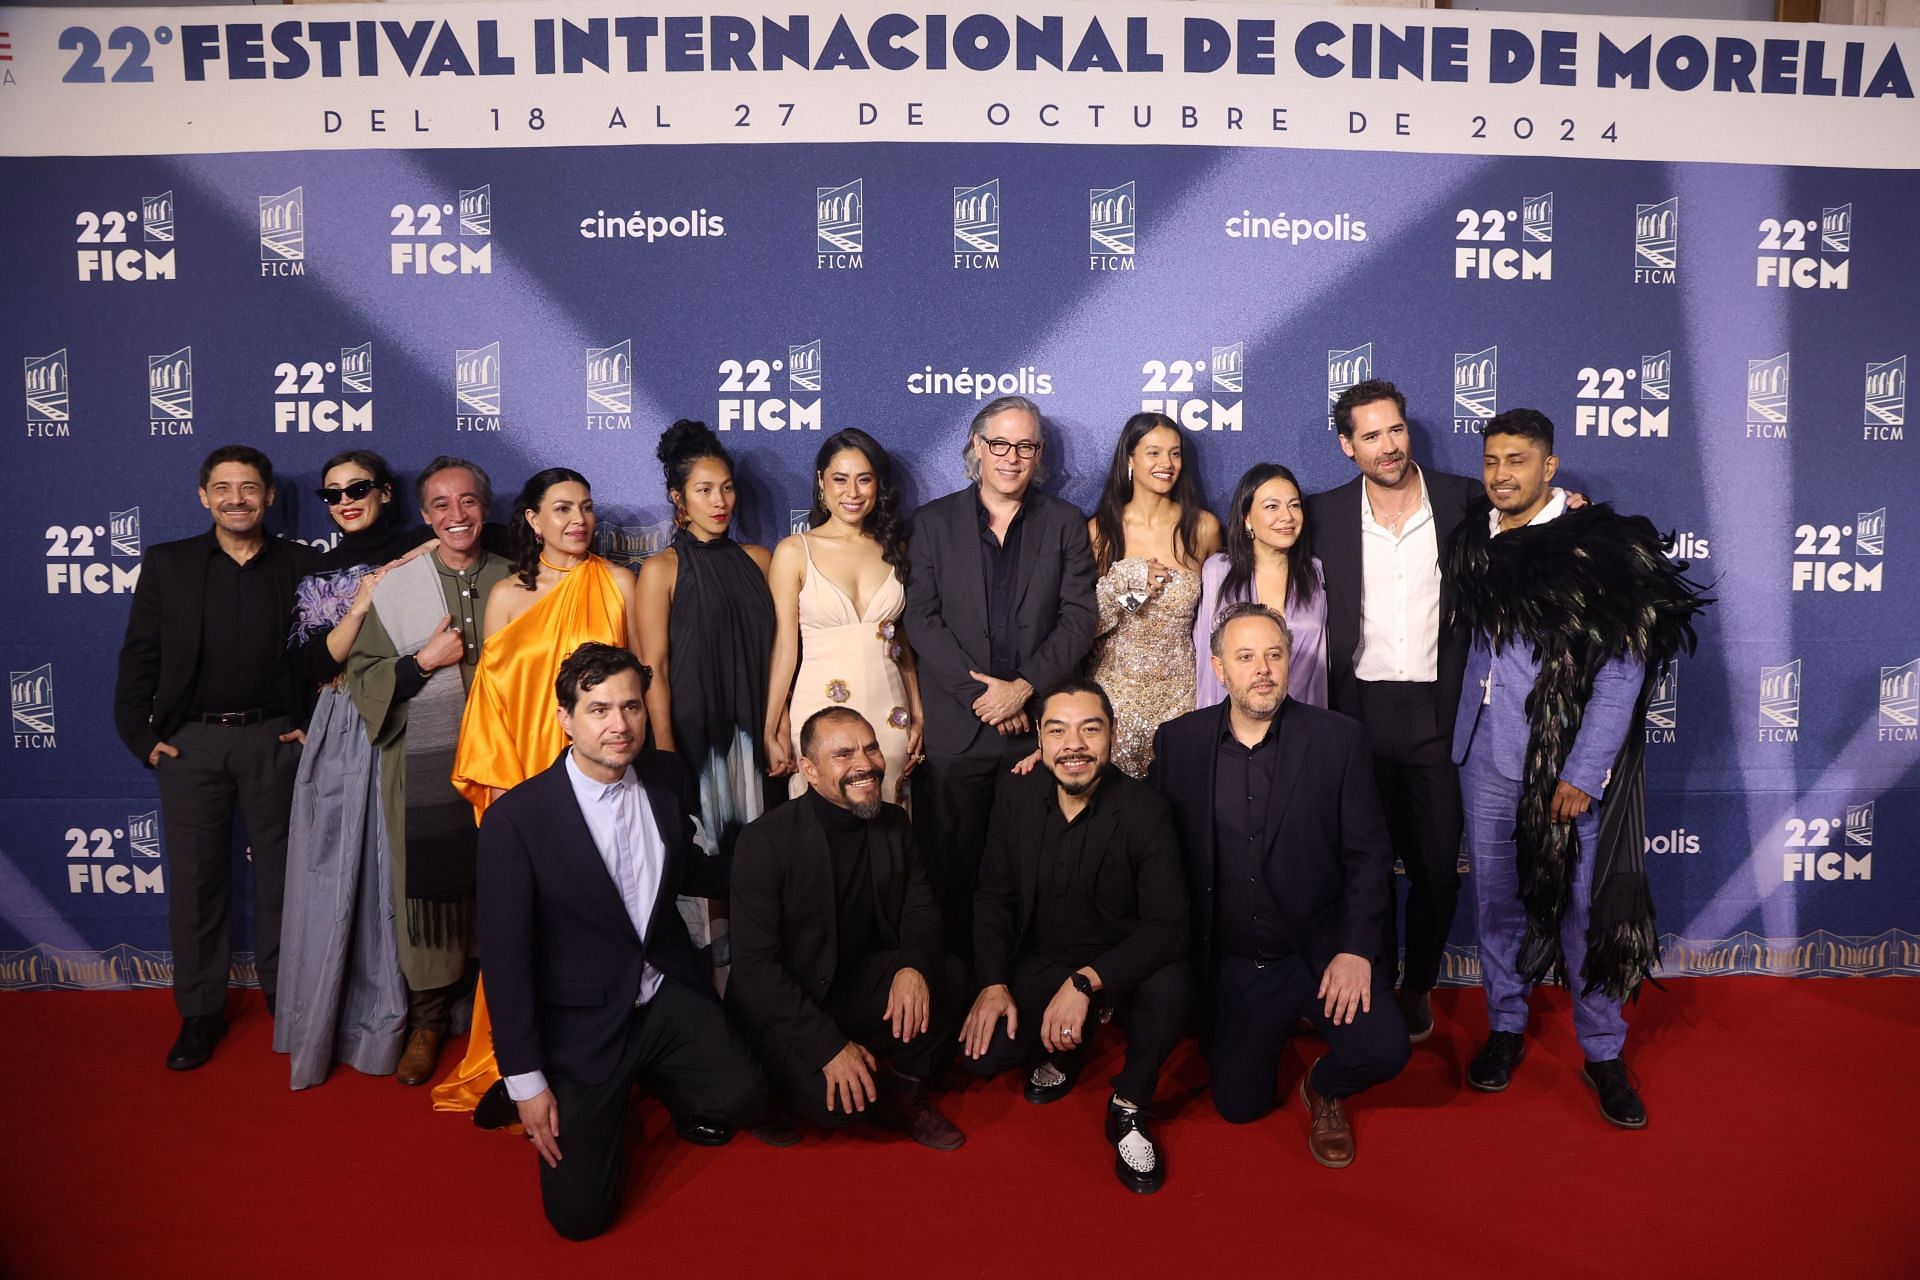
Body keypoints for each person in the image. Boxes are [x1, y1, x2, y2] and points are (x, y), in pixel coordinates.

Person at [1448, 409, 1706, 1129]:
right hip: (1484, 757)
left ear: (1550, 468)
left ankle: (1601, 1049)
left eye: (1518, 461)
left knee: (1586, 912)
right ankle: (1505, 1026)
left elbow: (1624, 672)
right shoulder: (1477, 535)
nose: (1502, 474)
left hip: (1564, 768)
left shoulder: (1597, 548)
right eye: (1493, 461)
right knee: (1497, 904)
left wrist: (1584, 771)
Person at [477, 644, 766, 1241]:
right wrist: (526, 1083)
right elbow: (507, 968)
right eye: (599, 709)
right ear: (565, 719)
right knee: (579, 1219)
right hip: (580, 1025)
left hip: (660, 992)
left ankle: (649, 1077)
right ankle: (550, 1097)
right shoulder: (517, 822)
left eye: (631, 707)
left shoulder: (666, 776)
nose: (619, 725)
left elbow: (684, 869)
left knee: (745, 1097)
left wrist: (772, 866)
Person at [1149, 603, 1410, 1169]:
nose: (1262, 669)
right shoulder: (1179, 744)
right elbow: (1151, 845)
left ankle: (1325, 1085)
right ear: (1219, 668)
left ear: (1291, 661)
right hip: (1240, 961)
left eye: (1274, 654)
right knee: (1239, 1106)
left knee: (1385, 1051)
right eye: (1245, 657)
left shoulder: (1338, 740)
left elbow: (1369, 855)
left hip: (1317, 951)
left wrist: (1355, 949)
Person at [434, 467, 635, 1118]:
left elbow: (639, 693)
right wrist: (506, 799)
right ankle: (516, 1062)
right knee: (523, 923)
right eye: (561, 508)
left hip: (604, 782)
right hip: (524, 779)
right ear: (531, 519)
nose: (577, 519)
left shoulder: (618, 583)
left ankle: (594, 1058)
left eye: (585, 506)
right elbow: (490, 704)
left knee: (598, 918)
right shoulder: (505, 597)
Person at [113, 445, 319, 1070]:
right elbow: (139, 657)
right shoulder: (169, 563)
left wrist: (307, 723)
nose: (237, 498)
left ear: (270, 497)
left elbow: (320, 654)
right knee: (198, 882)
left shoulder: (299, 565)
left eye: (250, 487)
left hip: (273, 740)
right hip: (191, 744)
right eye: (224, 487)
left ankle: (290, 1002)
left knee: (286, 878)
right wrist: (141, 737)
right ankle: (201, 1013)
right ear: (205, 497)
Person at [960, 679, 1191, 1194]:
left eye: (1091, 729)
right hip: (1045, 959)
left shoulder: (1145, 811)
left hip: (1124, 965)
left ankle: (1130, 1104)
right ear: (1039, 741)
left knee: (1173, 986)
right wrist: (994, 982)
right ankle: (1071, 1043)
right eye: (1058, 731)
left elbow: (1169, 929)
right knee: (984, 1058)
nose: (1075, 745)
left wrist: (1086, 985)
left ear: (1112, 736)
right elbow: (994, 896)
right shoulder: (1016, 793)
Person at [1305, 379, 1481, 1045]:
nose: (1388, 446)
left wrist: (1565, 507)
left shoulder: (1464, 500)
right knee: (1363, 866)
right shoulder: (1320, 514)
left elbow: (1530, 517)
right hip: (1356, 715)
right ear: (1348, 446)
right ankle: (1369, 980)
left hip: (1438, 710)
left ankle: (1418, 986)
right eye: (1371, 435)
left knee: (1437, 868)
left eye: (1396, 430)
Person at [903, 396, 1097, 960]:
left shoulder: (1062, 523)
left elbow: (1079, 617)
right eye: (1000, 444)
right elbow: (922, 617)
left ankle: (1025, 985)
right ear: (977, 447)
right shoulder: (934, 523)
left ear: (1039, 454)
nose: (1012, 458)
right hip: (960, 733)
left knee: (1035, 873)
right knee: (954, 871)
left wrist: (1024, 688)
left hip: (1036, 733)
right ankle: (963, 987)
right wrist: (984, 695)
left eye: (1026, 446)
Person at [343, 457, 514, 1088]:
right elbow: (362, 676)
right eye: (441, 505)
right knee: (430, 890)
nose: (456, 515)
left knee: (503, 881)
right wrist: (420, 665)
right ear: (423, 515)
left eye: (467, 501)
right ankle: (429, 1019)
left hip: (504, 760)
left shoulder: (513, 577)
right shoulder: (398, 585)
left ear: (485, 507)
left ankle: (501, 1013)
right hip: (424, 760)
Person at [729, 707, 966, 1150]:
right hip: (793, 1000)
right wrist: (827, 1047)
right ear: (809, 770)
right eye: (843, 754)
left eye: (870, 747)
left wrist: (912, 968)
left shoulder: (894, 822)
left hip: (853, 981)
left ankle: (902, 1086)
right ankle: (781, 1082)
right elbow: (754, 969)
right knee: (840, 1108)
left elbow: (921, 909)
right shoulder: (765, 841)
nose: (864, 763)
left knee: (948, 973)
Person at [276, 449, 433, 1088]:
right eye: (333, 492)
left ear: (386, 492)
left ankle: (423, 1012)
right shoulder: (319, 573)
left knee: (408, 866)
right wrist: (364, 599)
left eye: (359, 488)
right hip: (345, 726)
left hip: (421, 714)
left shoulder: (426, 547)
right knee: (342, 872)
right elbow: (316, 665)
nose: (346, 501)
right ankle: (347, 1015)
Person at [633, 420, 776, 990]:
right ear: (678, 496)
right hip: (699, 742)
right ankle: (719, 995)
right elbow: (655, 671)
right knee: (713, 863)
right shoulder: (661, 570)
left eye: (727, 488)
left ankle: (761, 984)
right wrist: (668, 756)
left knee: (765, 861)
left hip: (756, 737)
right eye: (704, 489)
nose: (720, 501)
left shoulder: (761, 560)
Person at [766, 428, 925, 807]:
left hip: (890, 711)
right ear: (821, 482)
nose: (852, 492)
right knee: (820, 824)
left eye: (864, 479)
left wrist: (918, 713)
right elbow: (785, 649)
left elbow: (900, 642)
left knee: (888, 815)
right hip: (818, 708)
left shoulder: (895, 549)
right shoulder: (794, 551)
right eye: (840, 479)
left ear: (878, 485)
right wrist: (771, 726)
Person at [1084, 412, 1219, 778]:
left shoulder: (1202, 528)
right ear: (1130, 458)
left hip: (1182, 697)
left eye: (1175, 454)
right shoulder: (1101, 530)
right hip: (1115, 698)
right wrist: (1127, 588)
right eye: (1154, 453)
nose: (1166, 464)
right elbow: (1086, 626)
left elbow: (1217, 617)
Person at [1194, 463, 1328, 710]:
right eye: (1272, 506)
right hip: (1235, 722)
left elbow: (1321, 669)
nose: (1287, 516)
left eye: (1294, 505)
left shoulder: (1314, 572)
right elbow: (1206, 659)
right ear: (1247, 517)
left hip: (1303, 722)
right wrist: (1209, 724)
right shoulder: (1219, 571)